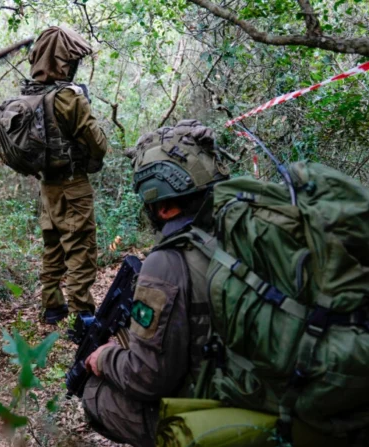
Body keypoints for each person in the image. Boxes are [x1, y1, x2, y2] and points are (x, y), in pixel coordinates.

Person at [81, 120, 230, 447]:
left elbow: (148, 379)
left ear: (163, 206)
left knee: (94, 393)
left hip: (224, 409)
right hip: (269, 391)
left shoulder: (167, 263)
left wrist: (104, 358)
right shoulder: (238, 231)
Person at [24, 26, 110, 324]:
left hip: (47, 185)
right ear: (64, 61)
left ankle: (52, 306)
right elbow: (97, 142)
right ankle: (82, 317)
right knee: (81, 247)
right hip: (73, 184)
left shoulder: (30, 95)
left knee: (53, 245)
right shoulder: (68, 97)